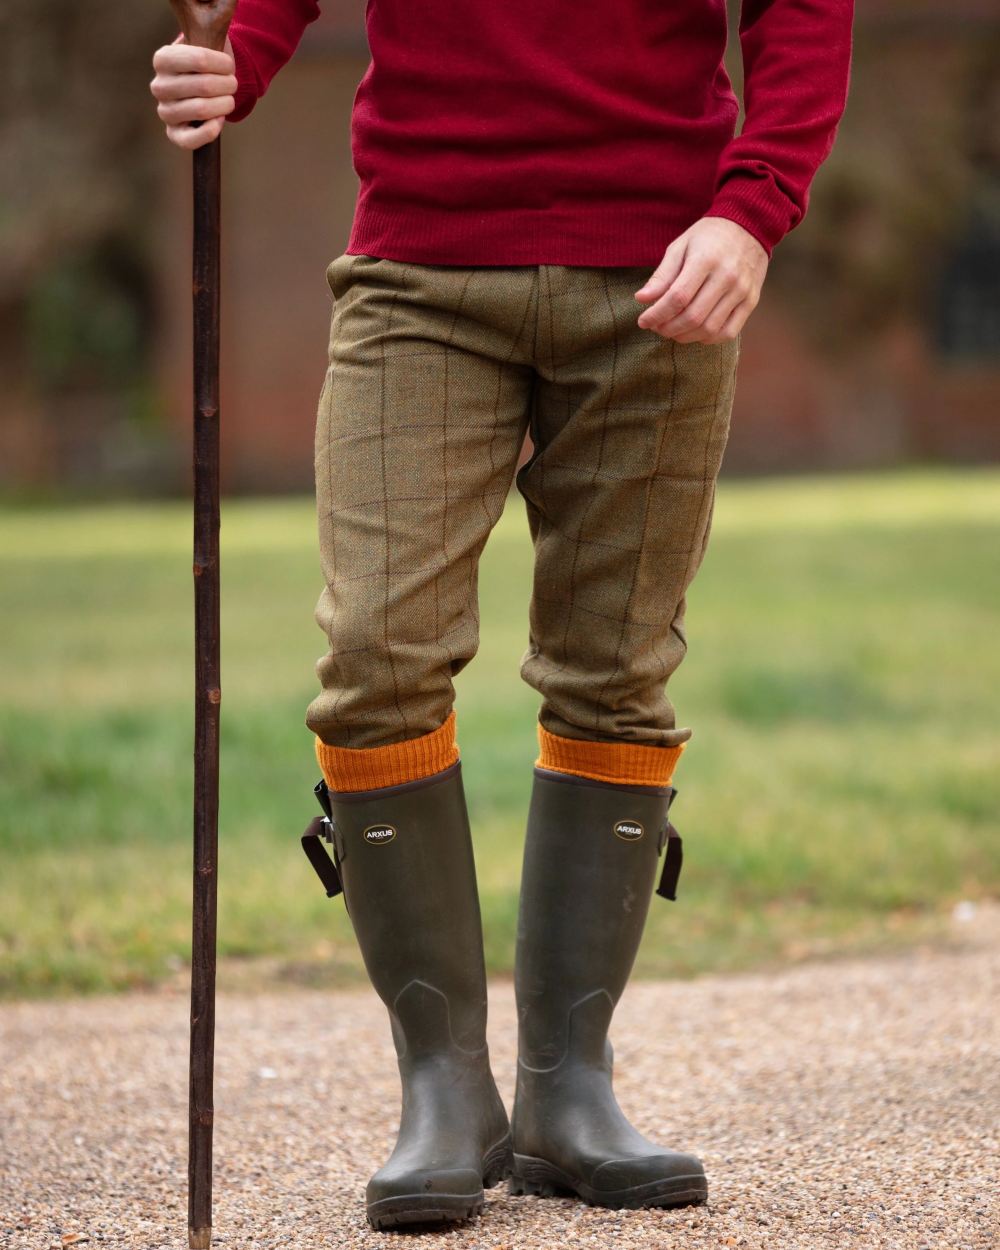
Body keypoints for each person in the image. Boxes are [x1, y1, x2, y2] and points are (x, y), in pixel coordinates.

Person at [150, 0, 854, 1231]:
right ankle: (442, 1088)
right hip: (420, 270)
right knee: (374, 654)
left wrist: (755, 207)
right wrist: (236, 50)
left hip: (664, 268)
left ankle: (566, 1092)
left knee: (615, 671)